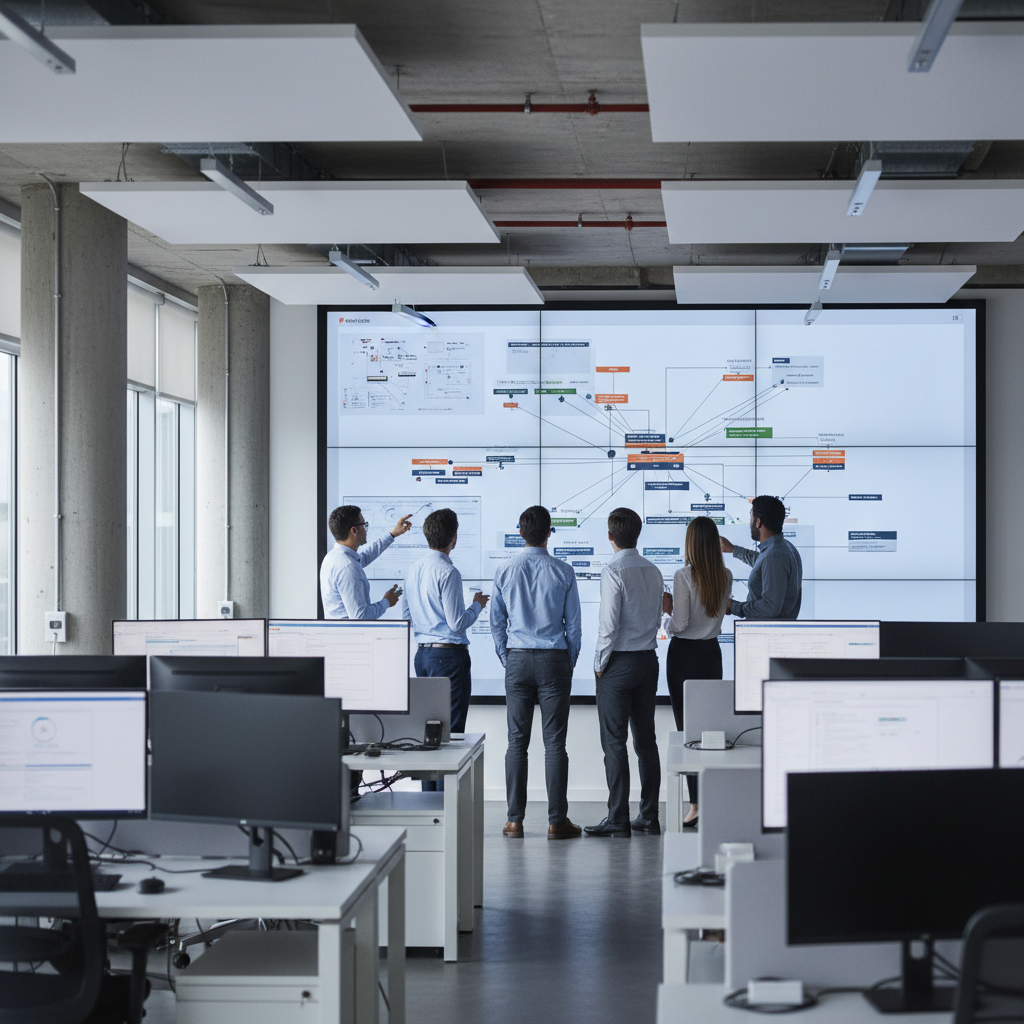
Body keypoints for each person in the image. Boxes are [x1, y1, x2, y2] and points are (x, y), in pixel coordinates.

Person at [490, 505, 582, 840]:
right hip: (554, 659)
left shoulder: (504, 570)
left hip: (517, 659)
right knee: (555, 743)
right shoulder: (563, 571)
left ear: (520, 532)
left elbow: (496, 623)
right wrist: (567, 661)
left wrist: (506, 655)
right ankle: (557, 822)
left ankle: (514, 821)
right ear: (549, 533)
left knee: (517, 743)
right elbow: (573, 626)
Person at [584, 508, 665, 838]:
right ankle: (649, 817)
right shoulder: (655, 570)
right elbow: (658, 616)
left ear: (610, 536)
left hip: (618, 664)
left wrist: (599, 664)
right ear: (638, 533)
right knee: (646, 742)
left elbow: (608, 626)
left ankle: (618, 819)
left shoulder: (613, 570)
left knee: (615, 743)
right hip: (648, 662)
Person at [663, 516, 733, 827]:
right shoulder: (726, 575)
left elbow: (680, 625)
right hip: (711, 654)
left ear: (691, 543)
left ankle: (695, 805)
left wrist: (665, 612)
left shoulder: (682, 575)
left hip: (685, 656)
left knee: (688, 731)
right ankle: (710, 800)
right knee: (708, 731)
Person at [400, 508, 488, 735]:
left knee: (427, 731)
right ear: (454, 538)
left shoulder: (412, 570)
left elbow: (407, 617)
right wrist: (477, 605)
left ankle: (423, 773)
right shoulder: (448, 572)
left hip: (422, 657)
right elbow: (457, 623)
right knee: (451, 733)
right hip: (449, 658)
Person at [320, 504, 412, 619]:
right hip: (351, 636)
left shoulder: (334, 557)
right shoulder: (347, 567)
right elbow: (360, 617)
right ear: (354, 530)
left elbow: (364, 557)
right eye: (364, 524)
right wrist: (386, 602)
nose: (366, 529)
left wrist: (393, 534)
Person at [720, 495, 802, 621]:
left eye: (751, 519)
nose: (750, 523)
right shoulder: (783, 547)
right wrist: (732, 549)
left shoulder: (775, 555)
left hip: (768, 635)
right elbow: (762, 563)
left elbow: (770, 607)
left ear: (758, 522)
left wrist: (732, 606)